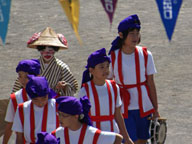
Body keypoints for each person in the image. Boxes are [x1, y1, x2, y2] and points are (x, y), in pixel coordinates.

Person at [108, 14, 160, 144]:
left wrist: (155, 108)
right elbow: (108, 85)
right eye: (131, 33)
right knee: (129, 139)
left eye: (137, 33)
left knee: (143, 139)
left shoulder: (146, 55)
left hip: (143, 105)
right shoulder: (113, 57)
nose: (135, 37)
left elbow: (151, 83)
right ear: (121, 35)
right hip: (122, 106)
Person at [78, 48, 133, 144]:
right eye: (101, 67)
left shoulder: (114, 86)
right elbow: (81, 117)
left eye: (107, 66)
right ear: (91, 70)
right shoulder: (85, 90)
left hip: (113, 133)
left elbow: (118, 115)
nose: (106, 70)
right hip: (93, 135)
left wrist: (127, 138)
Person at [12, 27, 78, 96]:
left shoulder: (62, 67)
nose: (47, 53)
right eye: (43, 50)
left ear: (56, 50)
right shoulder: (31, 66)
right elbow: (18, 85)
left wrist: (64, 87)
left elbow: (73, 87)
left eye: (50, 50)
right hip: (32, 99)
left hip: (53, 102)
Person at [51, 95, 123, 144]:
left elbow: (118, 138)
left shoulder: (91, 133)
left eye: (64, 115)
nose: (60, 118)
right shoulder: (56, 134)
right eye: (59, 114)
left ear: (76, 116)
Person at [3, 59, 41, 144]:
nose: (23, 80)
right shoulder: (15, 98)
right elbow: (9, 124)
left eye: (27, 77)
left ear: (38, 76)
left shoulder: (47, 96)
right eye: (20, 76)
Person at [12, 76, 59, 144]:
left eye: (43, 98)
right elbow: (19, 136)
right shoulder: (22, 108)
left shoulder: (57, 106)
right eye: (35, 100)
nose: (40, 103)